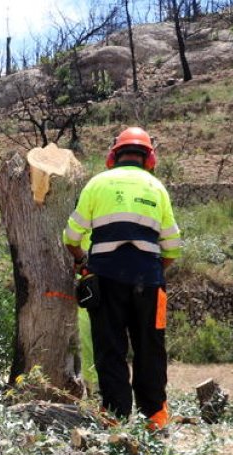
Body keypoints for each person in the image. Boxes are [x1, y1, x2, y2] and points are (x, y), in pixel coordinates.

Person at [63, 127, 182, 431]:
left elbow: (71, 237)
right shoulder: (157, 188)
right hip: (150, 280)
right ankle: (154, 419)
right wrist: (152, 272)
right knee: (150, 348)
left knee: (110, 348)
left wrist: (81, 262)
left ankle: (115, 419)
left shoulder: (96, 184)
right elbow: (173, 247)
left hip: (106, 279)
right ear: (149, 158)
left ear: (113, 155)